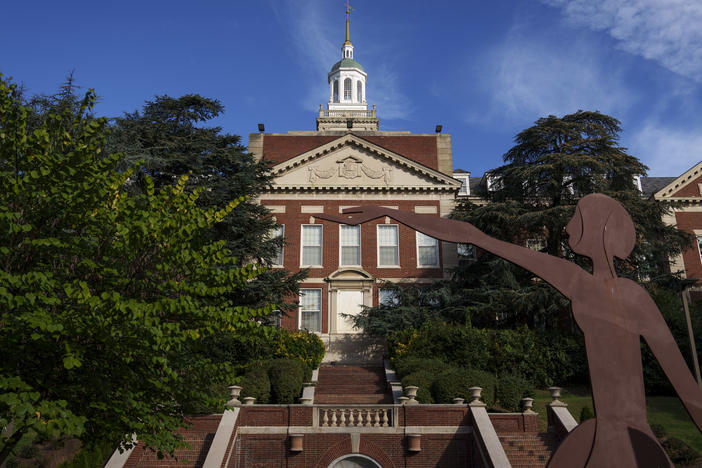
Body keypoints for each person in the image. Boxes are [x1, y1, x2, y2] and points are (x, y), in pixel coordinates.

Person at [316, 193, 702, 467]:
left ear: (596, 229)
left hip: (633, 441)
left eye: (576, 219)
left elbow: (683, 383)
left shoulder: (631, 296)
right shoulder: (574, 279)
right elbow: (472, 235)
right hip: (600, 431)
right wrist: (386, 211)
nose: (567, 226)